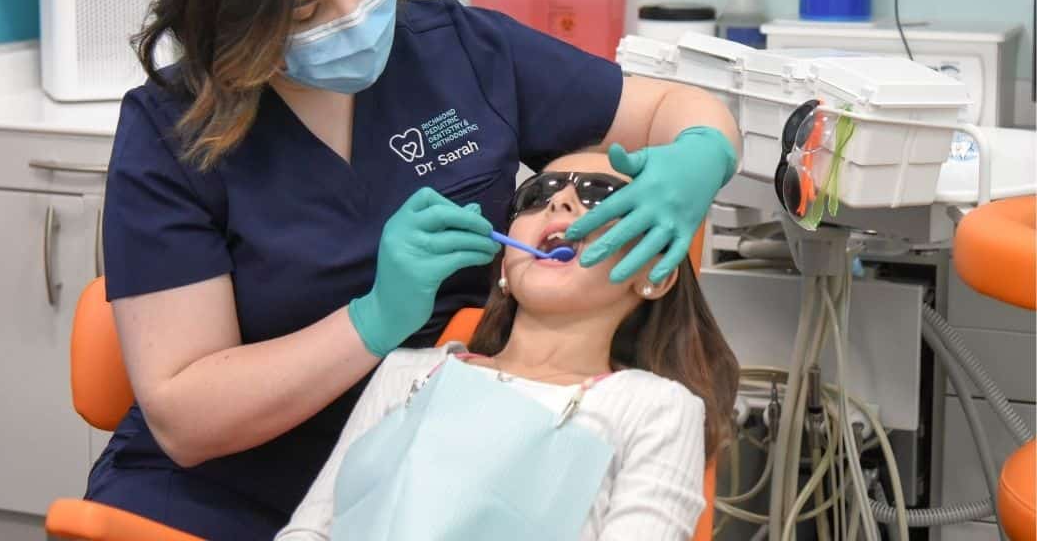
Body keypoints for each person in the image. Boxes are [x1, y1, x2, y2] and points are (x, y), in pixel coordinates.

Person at [86, 0, 741, 540]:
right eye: (305, 13)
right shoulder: (171, 133)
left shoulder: (462, 52)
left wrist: (702, 153)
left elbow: (677, 108)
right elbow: (184, 419)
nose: (356, 20)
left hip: (432, 489)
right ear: (231, 22)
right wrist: (371, 322)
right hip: (220, 499)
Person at [276, 149, 741, 541]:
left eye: (600, 195)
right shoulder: (407, 372)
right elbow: (310, 530)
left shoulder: (653, 407)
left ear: (654, 276)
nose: (560, 200)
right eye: (537, 194)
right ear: (503, 264)